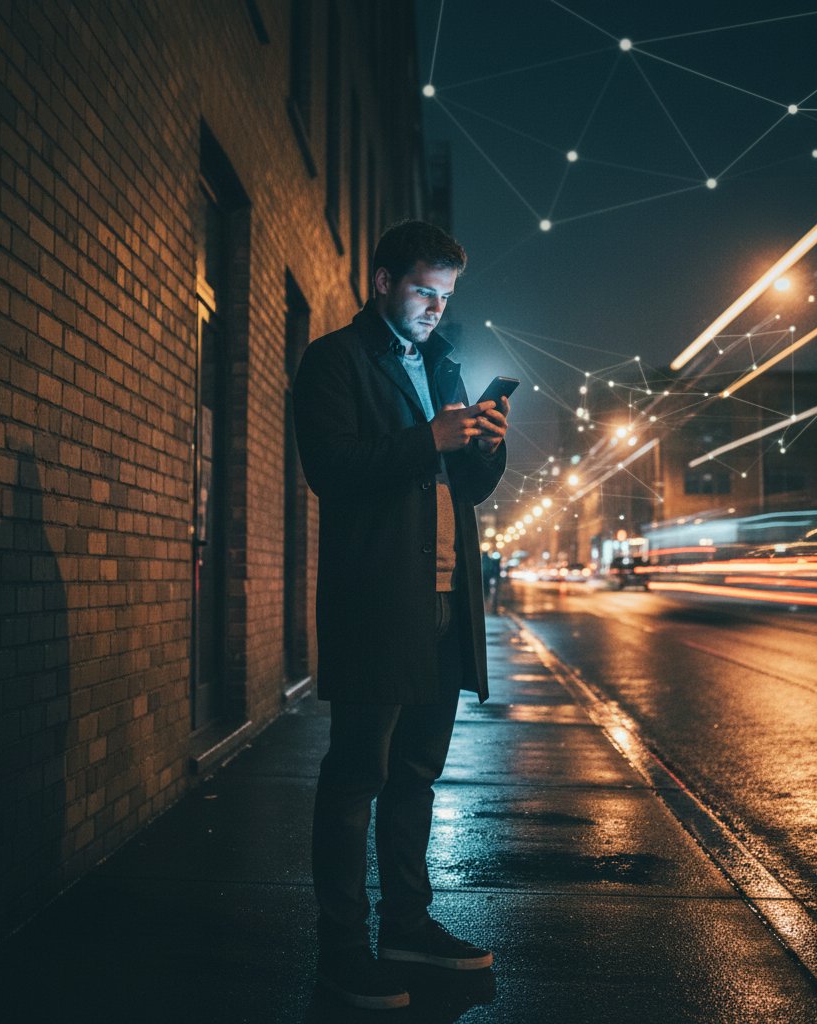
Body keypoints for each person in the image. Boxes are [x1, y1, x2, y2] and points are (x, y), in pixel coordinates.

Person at [292, 220, 509, 1011]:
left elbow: (466, 489)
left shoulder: (443, 364)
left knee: (416, 773)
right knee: (356, 776)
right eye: (424, 290)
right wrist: (429, 437)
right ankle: (342, 951)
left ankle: (407, 927)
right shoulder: (335, 359)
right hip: (377, 602)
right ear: (382, 281)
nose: (434, 307)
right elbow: (331, 469)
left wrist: (483, 446)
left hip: (446, 602)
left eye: (446, 296)